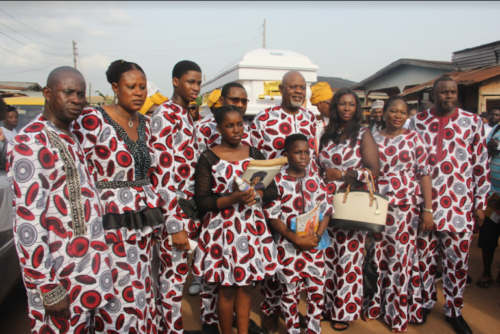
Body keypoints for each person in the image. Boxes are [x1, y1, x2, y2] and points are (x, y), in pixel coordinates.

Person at [7, 66, 113, 333]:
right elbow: (27, 223)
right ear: (47, 93)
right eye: (68, 92)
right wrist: (47, 285)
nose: (77, 99)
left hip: (84, 272)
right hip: (58, 278)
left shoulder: (69, 136)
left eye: (81, 94)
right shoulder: (30, 142)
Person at [73, 60, 165, 334]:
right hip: (109, 223)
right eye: (131, 87)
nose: (139, 92)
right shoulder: (91, 120)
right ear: (115, 87)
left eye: (143, 87)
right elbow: (79, 172)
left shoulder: (147, 123)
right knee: (116, 294)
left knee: (143, 288)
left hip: (144, 223)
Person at [409, 76, 489, 334]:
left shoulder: (473, 122)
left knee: (457, 263)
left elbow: (480, 165)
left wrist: (480, 203)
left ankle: (454, 310)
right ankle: (424, 302)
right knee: (423, 260)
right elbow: (409, 161)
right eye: (443, 92)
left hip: (460, 206)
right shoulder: (417, 122)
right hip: (424, 207)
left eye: (453, 92)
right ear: (433, 95)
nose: (449, 96)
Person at [193, 105, 279, 334]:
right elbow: (202, 201)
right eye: (229, 126)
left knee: (245, 286)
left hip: (251, 228)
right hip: (222, 231)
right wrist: (233, 198)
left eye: (240, 124)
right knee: (227, 288)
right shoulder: (208, 157)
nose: (236, 129)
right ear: (219, 127)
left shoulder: (254, 153)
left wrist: (256, 193)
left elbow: (272, 191)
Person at [250, 70, 317, 333]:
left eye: (302, 87)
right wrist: (257, 194)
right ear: (281, 89)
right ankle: (270, 309)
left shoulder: (311, 118)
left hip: (305, 196)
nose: (298, 91)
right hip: (274, 198)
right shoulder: (264, 119)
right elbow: (254, 158)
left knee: (300, 257)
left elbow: (316, 155)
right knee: (274, 256)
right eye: (293, 87)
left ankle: (292, 309)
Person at [362, 96, 433, 333]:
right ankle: (375, 305)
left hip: (405, 209)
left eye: (403, 112)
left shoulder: (415, 138)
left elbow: (424, 174)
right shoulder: (371, 137)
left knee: (400, 259)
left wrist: (428, 209)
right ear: (384, 113)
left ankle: (398, 311)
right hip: (377, 205)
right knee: (376, 256)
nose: (398, 115)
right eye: (393, 111)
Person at [318, 87, 380, 331]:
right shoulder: (326, 133)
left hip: (350, 201)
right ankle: (326, 305)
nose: (346, 108)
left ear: (357, 108)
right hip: (325, 203)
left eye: (351, 104)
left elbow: (374, 170)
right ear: (335, 107)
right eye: (342, 104)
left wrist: (342, 174)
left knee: (349, 258)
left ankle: (344, 310)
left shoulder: (363, 133)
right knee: (328, 257)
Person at [151, 60, 202, 334]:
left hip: (188, 208)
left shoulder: (185, 114)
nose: (196, 87)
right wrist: (175, 226)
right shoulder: (165, 115)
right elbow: (161, 176)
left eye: (198, 82)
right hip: (175, 213)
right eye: (190, 82)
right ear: (175, 81)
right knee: (170, 281)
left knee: (177, 278)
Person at [264, 134, 333, 334]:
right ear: (286, 155)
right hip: (289, 247)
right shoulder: (277, 180)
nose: (304, 157)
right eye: (297, 152)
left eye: (307, 152)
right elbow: (273, 216)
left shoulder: (315, 178)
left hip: (314, 246)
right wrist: (295, 239)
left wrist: (317, 237)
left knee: (316, 291)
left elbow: (326, 211)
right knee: (290, 292)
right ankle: (293, 329)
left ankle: (314, 329)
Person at [476, 118, 500, 289]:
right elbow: (481, 153)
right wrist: (489, 150)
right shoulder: (496, 129)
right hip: (493, 195)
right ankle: (486, 273)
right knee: (488, 235)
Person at [196, 82, 252, 153]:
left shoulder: (247, 128)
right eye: (235, 100)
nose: (240, 105)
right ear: (221, 100)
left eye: (244, 101)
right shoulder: (202, 129)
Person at [310, 82, 333, 154]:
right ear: (320, 104)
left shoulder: (333, 122)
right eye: (331, 104)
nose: (333, 107)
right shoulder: (309, 123)